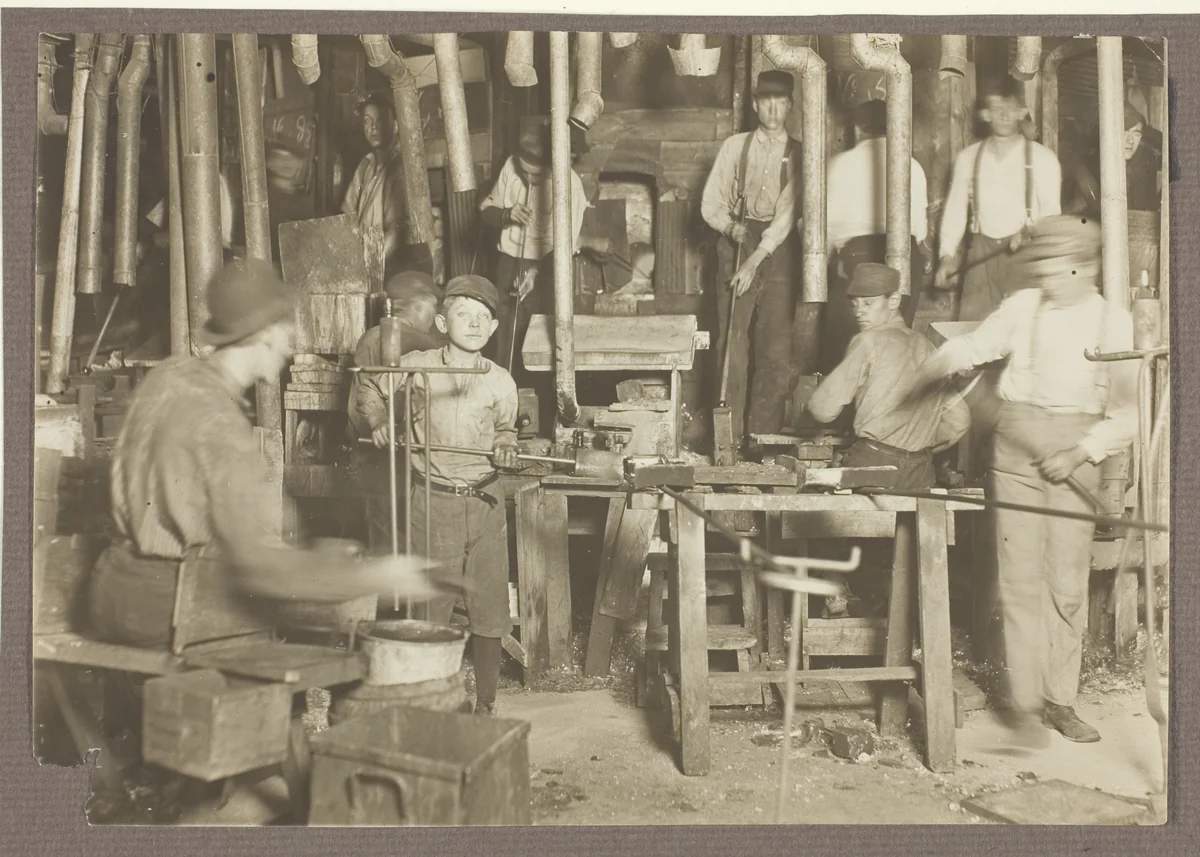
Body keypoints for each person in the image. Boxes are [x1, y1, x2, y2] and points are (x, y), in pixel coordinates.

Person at [87, 258, 443, 649]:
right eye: (288, 335)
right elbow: (262, 570)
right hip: (170, 607)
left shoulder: (169, 376)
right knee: (317, 644)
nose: (290, 350)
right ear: (268, 335)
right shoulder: (218, 424)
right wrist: (379, 578)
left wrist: (321, 556)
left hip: (115, 585)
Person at [913, 215, 1137, 745]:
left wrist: (1082, 451)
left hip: (1074, 450)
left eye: (1058, 267)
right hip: (1014, 445)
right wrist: (929, 363)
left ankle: (1062, 701)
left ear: (1086, 266)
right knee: (1018, 578)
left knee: (1065, 585)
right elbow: (970, 349)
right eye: (1043, 266)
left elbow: (1127, 416)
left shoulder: (1115, 324)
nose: (1048, 277)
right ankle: (1026, 702)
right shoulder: (1022, 308)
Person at [807, 262, 970, 617]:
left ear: (894, 299)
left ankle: (838, 601)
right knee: (893, 551)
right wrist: (919, 440)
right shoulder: (930, 348)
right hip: (919, 473)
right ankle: (888, 610)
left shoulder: (868, 342)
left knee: (815, 519)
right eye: (855, 303)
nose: (859, 311)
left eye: (869, 303)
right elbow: (959, 423)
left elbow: (821, 409)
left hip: (873, 465)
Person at [389, 275, 520, 716]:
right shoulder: (416, 365)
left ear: (495, 329)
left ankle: (485, 704)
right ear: (443, 323)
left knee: (489, 605)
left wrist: (507, 446)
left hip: (485, 501)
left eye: (484, 317)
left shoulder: (501, 381)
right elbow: (371, 388)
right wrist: (379, 419)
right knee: (431, 604)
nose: (475, 323)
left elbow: (506, 430)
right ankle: (429, 700)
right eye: (464, 314)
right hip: (434, 499)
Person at [701, 69, 801, 451]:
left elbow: (788, 215)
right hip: (737, 239)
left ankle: (760, 441)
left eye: (781, 102)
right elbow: (710, 203)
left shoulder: (798, 153)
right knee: (732, 344)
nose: (773, 109)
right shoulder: (734, 146)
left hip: (776, 249)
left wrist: (754, 260)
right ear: (756, 104)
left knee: (774, 348)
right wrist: (730, 228)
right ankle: (726, 440)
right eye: (766, 101)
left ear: (790, 106)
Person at [935, 76, 1063, 322]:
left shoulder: (1043, 159)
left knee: (1023, 335)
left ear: (1022, 112)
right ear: (985, 115)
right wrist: (947, 256)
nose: (1004, 115)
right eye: (996, 109)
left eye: (1010, 108)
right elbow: (954, 211)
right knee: (973, 331)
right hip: (980, 259)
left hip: (1025, 256)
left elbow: (1052, 216)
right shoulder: (967, 158)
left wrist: (1029, 232)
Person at [822, 99, 929, 372]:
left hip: (857, 258)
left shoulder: (840, 165)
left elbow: (827, 230)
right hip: (904, 260)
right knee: (892, 348)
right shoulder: (912, 165)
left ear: (857, 129)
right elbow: (921, 228)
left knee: (848, 352)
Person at [347, 271, 446, 555]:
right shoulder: (425, 345)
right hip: (404, 461)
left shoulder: (368, 337)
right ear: (418, 305)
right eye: (431, 306)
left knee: (384, 544)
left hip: (367, 455)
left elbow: (362, 398)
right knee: (413, 546)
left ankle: (389, 598)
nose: (433, 316)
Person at [478, 124, 587, 374]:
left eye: (535, 176)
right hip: (508, 262)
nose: (528, 180)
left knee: (540, 344)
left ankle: (537, 402)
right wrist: (506, 214)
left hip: (548, 268)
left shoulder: (571, 186)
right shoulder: (510, 166)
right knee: (503, 339)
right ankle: (503, 395)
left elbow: (564, 248)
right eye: (524, 172)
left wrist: (536, 272)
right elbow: (485, 212)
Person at [341, 93, 410, 278]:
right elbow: (347, 215)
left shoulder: (401, 166)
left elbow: (396, 232)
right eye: (367, 121)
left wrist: (368, 268)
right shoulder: (366, 164)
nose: (373, 127)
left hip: (393, 265)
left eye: (380, 120)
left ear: (395, 126)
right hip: (365, 257)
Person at [1065, 102, 1163, 218]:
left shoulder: (1143, 163)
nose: (1130, 140)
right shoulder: (1088, 168)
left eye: (1136, 134)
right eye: (1124, 132)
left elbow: (1148, 207)